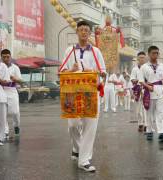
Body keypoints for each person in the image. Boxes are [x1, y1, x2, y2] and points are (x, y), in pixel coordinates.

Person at [59, 21, 106, 172]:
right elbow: (61, 72)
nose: (84, 32)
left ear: (90, 33)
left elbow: (103, 72)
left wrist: (98, 73)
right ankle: (76, 147)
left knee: (90, 126)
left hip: (91, 93)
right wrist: (70, 70)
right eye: (81, 30)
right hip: (73, 93)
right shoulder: (69, 50)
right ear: (77, 32)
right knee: (73, 125)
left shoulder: (96, 52)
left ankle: (84, 160)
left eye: (87, 30)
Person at [138, 46, 163, 142]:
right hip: (149, 91)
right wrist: (147, 86)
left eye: (157, 53)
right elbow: (141, 81)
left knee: (162, 113)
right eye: (153, 53)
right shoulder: (144, 67)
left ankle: (162, 133)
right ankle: (149, 131)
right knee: (149, 113)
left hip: (161, 91)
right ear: (149, 54)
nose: (155, 55)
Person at [1, 49, 22, 139]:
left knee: (15, 112)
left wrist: (14, 78)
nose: (6, 58)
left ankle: (16, 125)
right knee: (2, 113)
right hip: (1, 91)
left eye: (7, 57)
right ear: (1, 57)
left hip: (12, 90)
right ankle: (5, 131)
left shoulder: (15, 68)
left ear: (10, 57)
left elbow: (21, 81)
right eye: (4, 57)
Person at [130, 51, 147, 132]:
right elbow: (132, 79)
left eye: (143, 57)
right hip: (137, 89)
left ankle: (146, 124)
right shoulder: (135, 69)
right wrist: (136, 80)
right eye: (140, 58)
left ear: (145, 58)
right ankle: (140, 124)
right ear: (137, 59)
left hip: (146, 89)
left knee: (146, 108)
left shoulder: (148, 68)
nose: (142, 59)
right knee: (138, 109)